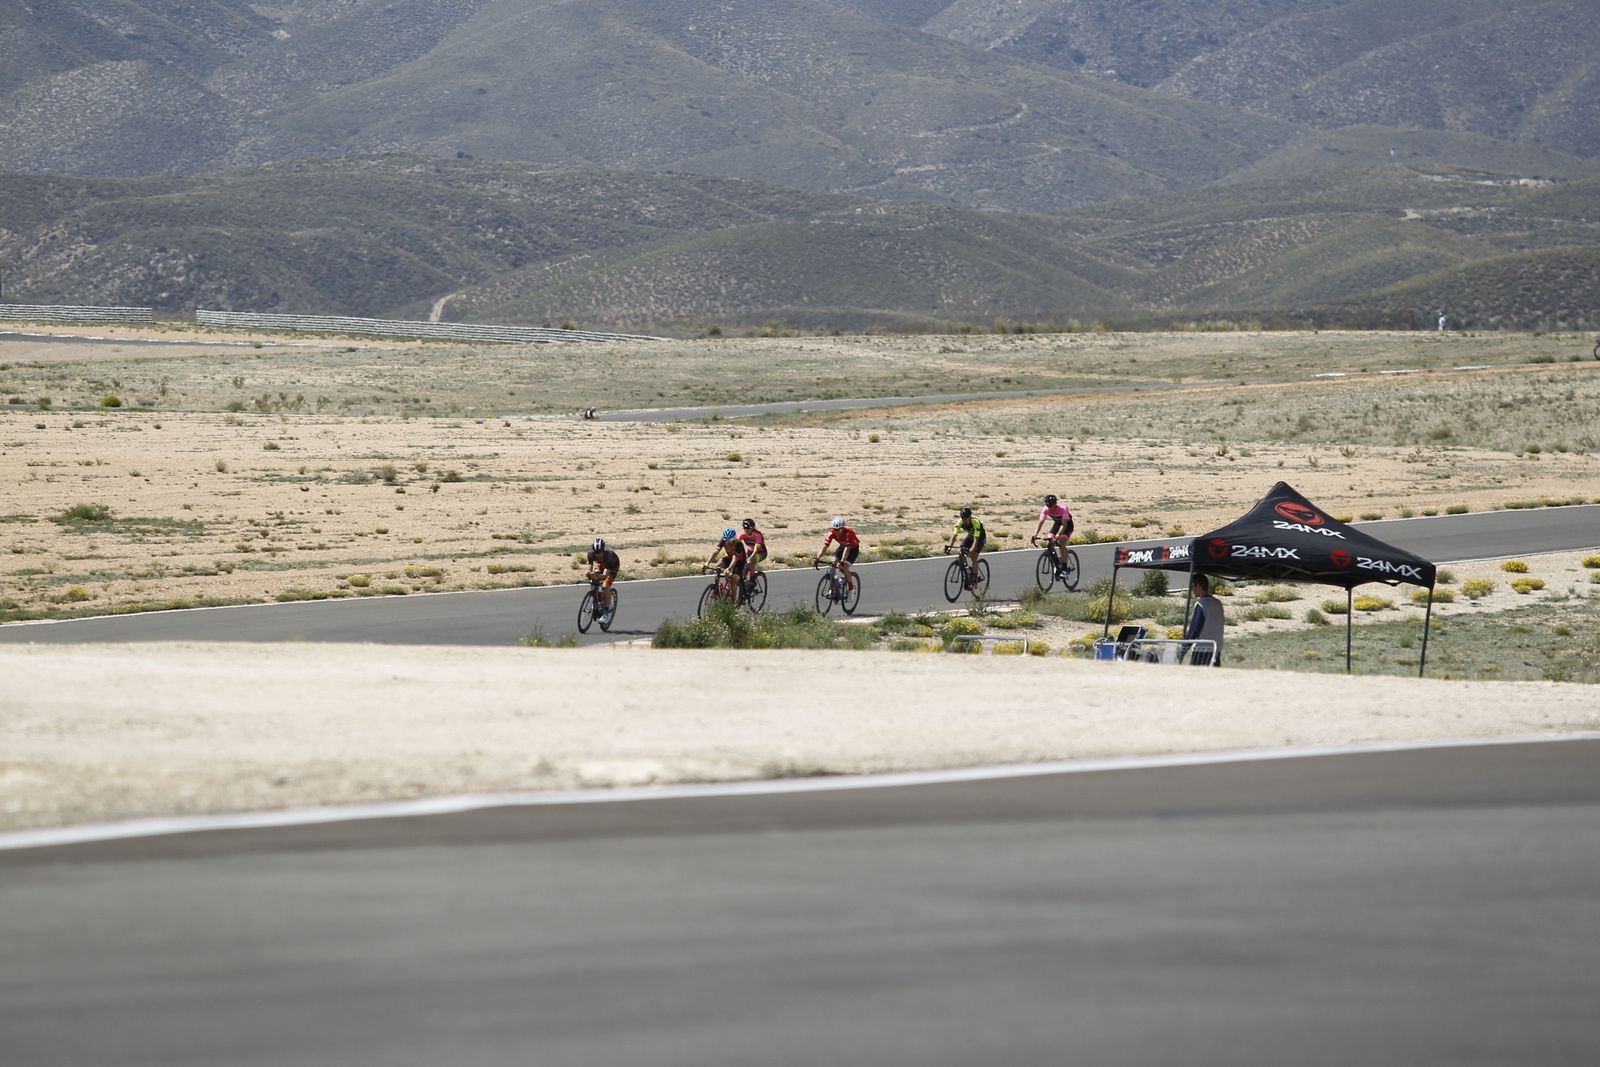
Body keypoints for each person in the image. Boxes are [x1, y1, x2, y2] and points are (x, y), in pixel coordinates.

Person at [1184, 574, 1223, 666]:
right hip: (1216, 648)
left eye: (1192, 586)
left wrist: (1185, 646)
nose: (1192, 589)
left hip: (1202, 650)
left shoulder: (1201, 604)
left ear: (1198, 586)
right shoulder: (1218, 603)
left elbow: (1195, 629)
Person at [815, 516, 859, 593]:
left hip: (853, 549)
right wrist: (817, 558)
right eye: (835, 529)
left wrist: (842, 560)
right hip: (843, 546)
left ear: (842, 528)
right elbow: (825, 546)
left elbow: (847, 549)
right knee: (833, 562)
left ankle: (851, 586)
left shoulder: (849, 532)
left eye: (838, 529)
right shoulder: (831, 532)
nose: (836, 531)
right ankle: (835, 583)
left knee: (844, 566)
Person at [945, 507, 986, 587]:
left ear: (970, 517)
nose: (965, 520)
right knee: (961, 552)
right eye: (963, 518)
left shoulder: (975, 522)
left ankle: (974, 577)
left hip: (980, 538)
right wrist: (950, 546)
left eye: (966, 518)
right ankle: (968, 572)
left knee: (973, 557)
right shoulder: (960, 522)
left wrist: (972, 550)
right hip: (971, 536)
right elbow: (954, 536)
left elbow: (976, 540)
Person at [705, 527, 748, 598]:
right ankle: (716, 589)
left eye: (730, 540)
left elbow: (735, 558)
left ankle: (732, 605)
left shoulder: (738, 544)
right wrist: (707, 562)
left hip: (740, 562)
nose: (728, 542)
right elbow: (716, 552)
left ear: (734, 538)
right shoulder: (723, 540)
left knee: (732, 582)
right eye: (726, 540)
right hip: (730, 558)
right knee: (718, 565)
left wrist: (729, 568)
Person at [584, 537, 620, 621]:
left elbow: (604, 576)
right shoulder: (591, 554)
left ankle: (606, 612)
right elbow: (590, 567)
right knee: (593, 579)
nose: (598, 554)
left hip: (612, 568)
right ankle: (598, 599)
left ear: (603, 550)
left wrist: (596, 575)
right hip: (602, 565)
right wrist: (588, 573)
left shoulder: (610, 557)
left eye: (600, 552)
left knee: (606, 585)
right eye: (596, 552)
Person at [1031, 494, 1074, 558]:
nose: (1049, 507)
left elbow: (1064, 525)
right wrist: (1035, 534)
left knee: (1061, 543)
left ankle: (1064, 566)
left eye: (1051, 505)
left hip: (1067, 526)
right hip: (1057, 524)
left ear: (1055, 504)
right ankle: (1056, 561)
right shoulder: (1046, 509)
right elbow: (1041, 522)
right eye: (1048, 505)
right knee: (1049, 543)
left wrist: (1059, 534)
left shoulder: (1063, 509)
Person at [737, 518, 767, 589]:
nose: (746, 530)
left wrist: (750, 558)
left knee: (750, 561)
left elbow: (756, 549)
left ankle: (752, 580)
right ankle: (743, 582)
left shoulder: (757, 535)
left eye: (748, 528)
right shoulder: (742, 535)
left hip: (761, 553)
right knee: (744, 567)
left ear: (752, 528)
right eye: (744, 528)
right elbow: (735, 545)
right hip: (750, 552)